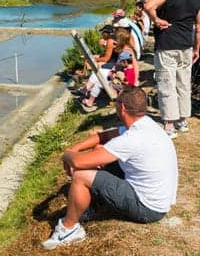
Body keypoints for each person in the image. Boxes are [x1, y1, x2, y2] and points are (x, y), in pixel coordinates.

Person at [42, 86, 178, 250]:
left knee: (81, 175)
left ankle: (68, 230)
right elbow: (104, 136)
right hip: (159, 200)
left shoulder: (131, 139)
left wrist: (67, 155)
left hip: (148, 208)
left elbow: (78, 163)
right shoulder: (146, 125)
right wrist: (75, 149)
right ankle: (90, 205)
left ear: (121, 108)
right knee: (99, 156)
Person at [145, 0, 200, 138]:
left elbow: (148, 6)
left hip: (167, 45)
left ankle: (169, 124)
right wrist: (197, 47)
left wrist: (156, 19)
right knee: (184, 83)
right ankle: (182, 120)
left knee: (166, 83)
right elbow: (199, 26)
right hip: (186, 45)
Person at [80, 29, 138, 109]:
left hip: (121, 78)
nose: (114, 41)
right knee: (99, 76)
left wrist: (133, 82)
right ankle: (88, 95)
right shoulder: (125, 49)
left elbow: (132, 66)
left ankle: (88, 97)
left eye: (116, 39)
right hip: (119, 75)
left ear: (120, 40)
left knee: (99, 78)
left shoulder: (126, 52)